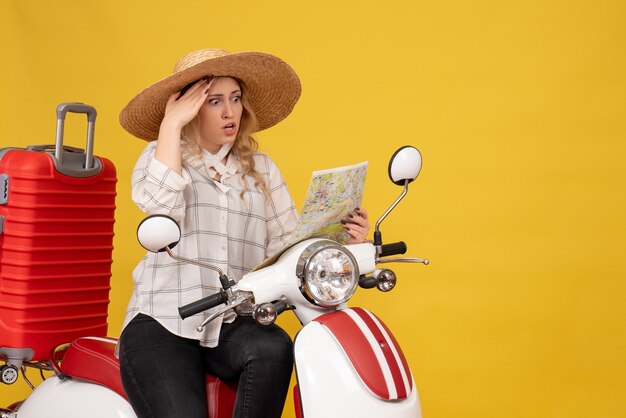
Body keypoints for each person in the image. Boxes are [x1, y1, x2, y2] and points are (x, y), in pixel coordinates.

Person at [117, 48, 370, 418]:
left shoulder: (261, 169)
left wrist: (343, 244)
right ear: (190, 108)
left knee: (274, 348)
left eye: (235, 99)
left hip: (233, 319)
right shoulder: (160, 154)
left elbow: (286, 246)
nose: (229, 112)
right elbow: (160, 207)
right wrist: (170, 125)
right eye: (214, 101)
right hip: (163, 321)